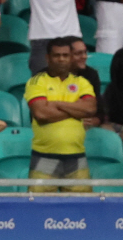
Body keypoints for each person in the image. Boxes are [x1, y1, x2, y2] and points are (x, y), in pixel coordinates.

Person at [24, 37, 97, 192]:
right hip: (44, 156)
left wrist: (57, 104)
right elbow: (41, 113)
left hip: (77, 156)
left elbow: (90, 109)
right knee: (38, 210)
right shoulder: (36, 81)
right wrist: (76, 110)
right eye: (56, 55)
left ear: (71, 58)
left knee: (81, 211)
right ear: (47, 58)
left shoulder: (82, 82)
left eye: (65, 55)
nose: (61, 59)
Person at [67, 36, 104, 127]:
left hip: (86, 123)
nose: (84, 56)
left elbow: (99, 106)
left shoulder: (91, 74)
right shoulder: (50, 76)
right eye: (78, 53)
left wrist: (97, 119)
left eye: (85, 52)